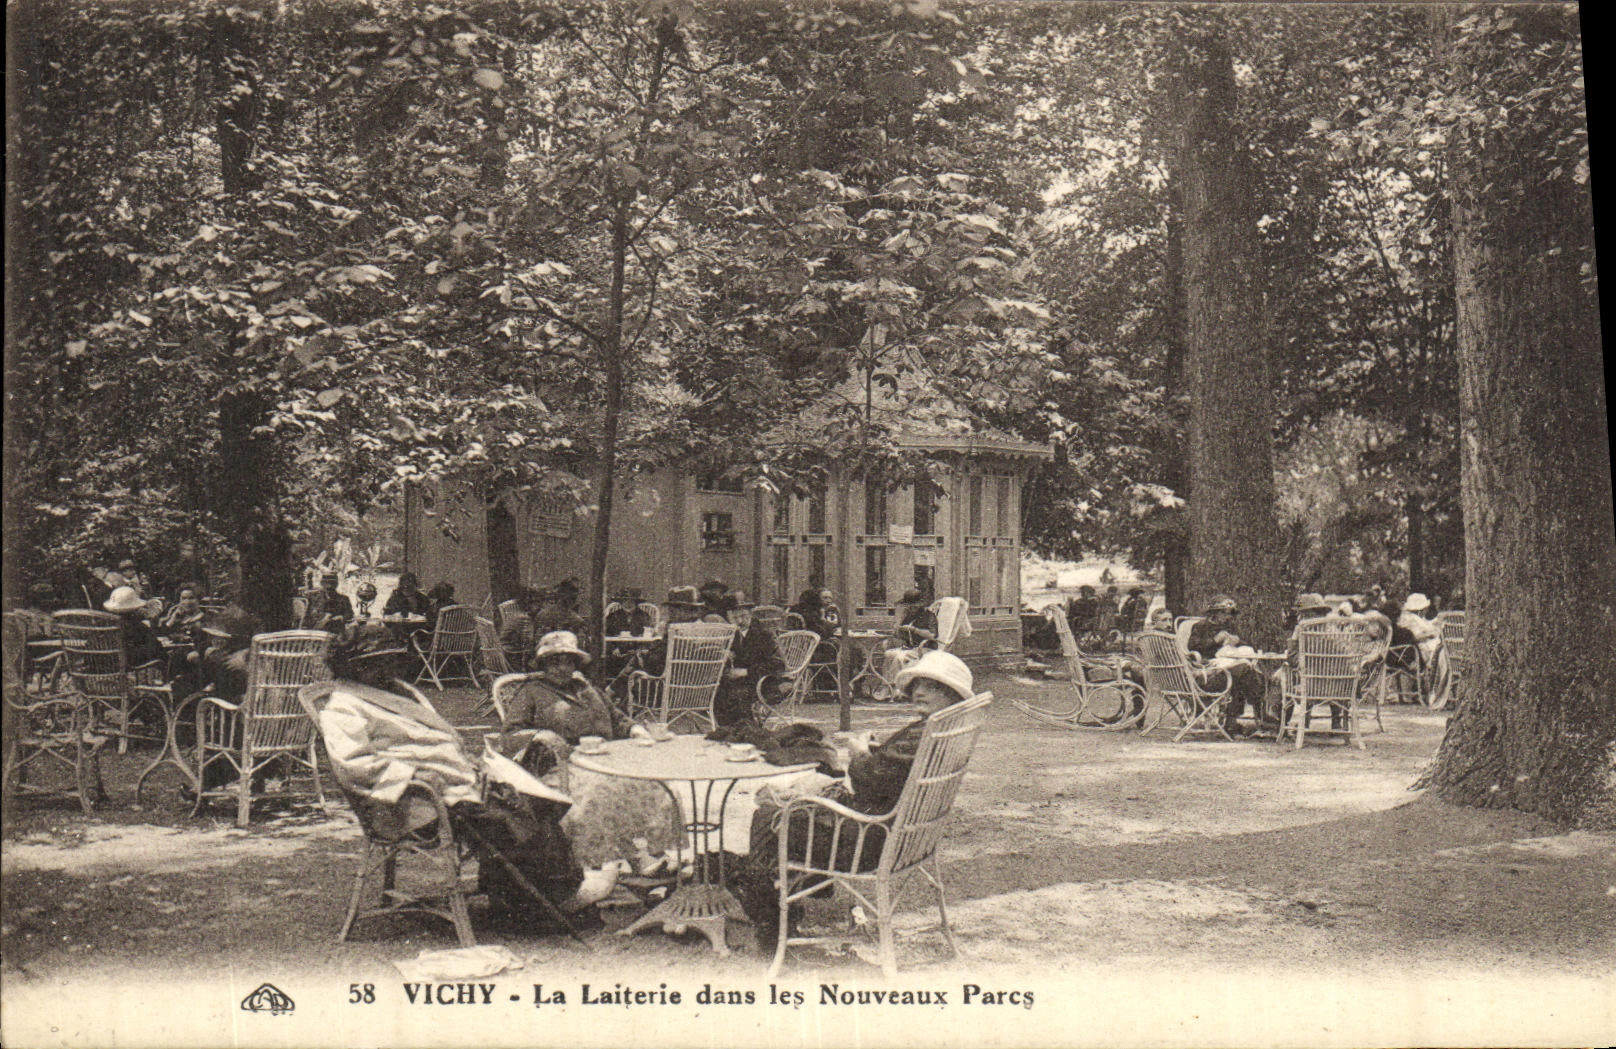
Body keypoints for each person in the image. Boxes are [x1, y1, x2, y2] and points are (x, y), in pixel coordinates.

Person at [734, 650, 977, 952]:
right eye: (917, 684)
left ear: (953, 695)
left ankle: (769, 916)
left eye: (933, 686)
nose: (920, 692)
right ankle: (796, 892)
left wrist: (858, 753)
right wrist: (877, 750)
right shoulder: (944, 732)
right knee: (801, 796)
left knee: (771, 813)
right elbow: (895, 774)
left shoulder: (925, 733)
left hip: (870, 842)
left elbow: (870, 782)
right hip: (910, 840)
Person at [497, 631, 678, 868]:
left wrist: (635, 729)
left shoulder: (585, 687)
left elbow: (616, 716)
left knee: (653, 783)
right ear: (543, 664)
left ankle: (653, 852)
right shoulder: (532, 692)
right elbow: (509, 735)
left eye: (568, 661)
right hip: (562, 766)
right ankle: (601, 862)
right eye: (555, 662)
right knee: (599, 792)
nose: (562, 668)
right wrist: (540, 735)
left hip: (607, 760)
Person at [1185, 595, 1268, 736]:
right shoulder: (1200, 626)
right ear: (1214, 613)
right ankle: (1259, 716)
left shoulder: (1230, 627)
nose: (1227, 617)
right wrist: (1215, 640)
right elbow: (1192, 648)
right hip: (1211, 672)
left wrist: (1238, 641)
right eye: (1224, 613)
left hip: (1231, 669)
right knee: (1247, 672)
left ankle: (1232, 722)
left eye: (1229, 614)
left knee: (1245, 673)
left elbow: (1246, 646)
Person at [718, 592, 785, 726]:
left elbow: (778, 664)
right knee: (717, 690)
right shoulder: (732, 634)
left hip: (764, 682)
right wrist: (725, 655)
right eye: (734, 618)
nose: (740, 621)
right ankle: (727, 730)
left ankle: (745, 730)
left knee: (735, 695)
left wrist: (747, 671)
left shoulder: (764, 633)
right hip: (740, 682)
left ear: (751, 613)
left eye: (743, 616)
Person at [881, 588, 939, 683]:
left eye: (912, 607)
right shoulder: (908, 616)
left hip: (926, 648)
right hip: (911, 648)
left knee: (900, 658)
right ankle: (887, 685)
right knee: (889, 654)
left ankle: (898, 687)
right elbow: (901, 635)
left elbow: (932, 635)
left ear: (919, 606)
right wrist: (898, 625)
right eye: (908, 607)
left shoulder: (929, 616)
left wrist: (914, 630)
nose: (910, 609)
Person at [103, 585, 165, 668]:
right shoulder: (138, 627)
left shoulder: (102, 626)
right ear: (135, 608)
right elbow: (156, 649)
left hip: (103, 671)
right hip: (131, 671)